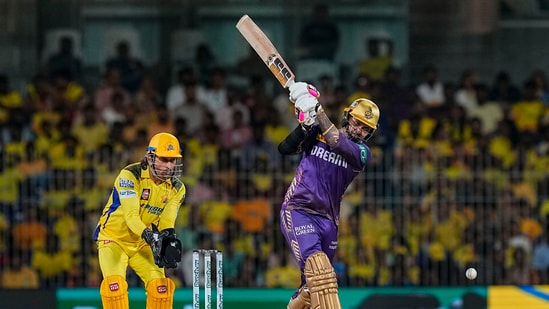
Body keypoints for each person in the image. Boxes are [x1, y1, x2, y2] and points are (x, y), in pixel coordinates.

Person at [278, 81, 380, 308]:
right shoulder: (317, 132)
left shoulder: (362, 153)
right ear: (347, 117)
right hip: (298, 210)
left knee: (313, 286)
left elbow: (336, 141)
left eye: (366, 129)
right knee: (320, 269)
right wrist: (306, 125)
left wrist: (316, 110)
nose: (359, 131)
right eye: (357, 123)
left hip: (328, 221)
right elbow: (284, 149)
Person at [94, 132, 185, 309]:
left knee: (162, 288)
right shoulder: (130, 175)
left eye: (172, 160)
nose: (169, 166)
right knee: (115, 289)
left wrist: (168, 240)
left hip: (142, 241)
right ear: (150, 158)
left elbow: (167, 220)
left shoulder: (177, 188)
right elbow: (131, 217)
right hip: (113, 239)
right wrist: (151, 238)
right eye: (164, 159)